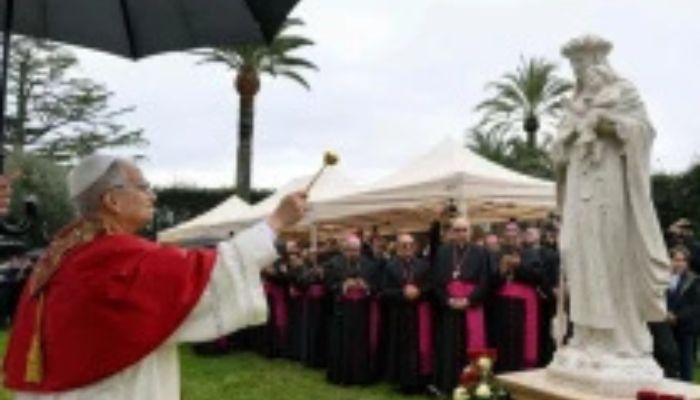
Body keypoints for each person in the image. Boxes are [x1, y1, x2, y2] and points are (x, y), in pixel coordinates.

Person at [3, 154, 307, 399]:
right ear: (112, 201)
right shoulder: (114, 256)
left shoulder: (62, 253)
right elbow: (210, 274)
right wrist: (276, 221)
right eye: (143, 186)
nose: (153, 195)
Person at [549, 35, 670, 384]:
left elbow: (644, 132)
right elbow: (557, 153)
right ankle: (586, 334)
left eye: (582, 63)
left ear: (599, 63)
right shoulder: (572, 105)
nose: (578, 71)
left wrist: (606, 123)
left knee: (609, 256)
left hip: (610, 191)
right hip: (579, 193)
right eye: (574, 64)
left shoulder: (624, 92)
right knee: (577, 254)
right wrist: (566, 140)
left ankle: (616, 339)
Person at [432, 217, 492, 394]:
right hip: (449, 308)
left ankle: (471, 385)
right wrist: (448, 300)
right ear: (451, 232)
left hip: (471, 306)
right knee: (449, 347)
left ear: (470, 232)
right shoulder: (442, 252)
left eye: (464, 230)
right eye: (457, 230)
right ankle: (448, 384)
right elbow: (436, 282)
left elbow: (485, 282)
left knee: (471, 346)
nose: (460, 233)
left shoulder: (481, 252)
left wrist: (469, 300)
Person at [325, 235, 382, 385]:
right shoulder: (334, 263)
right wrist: (343, 285)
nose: (353, 253)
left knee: (360, 343)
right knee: (342, 342)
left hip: (363, 310)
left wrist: (366, 286)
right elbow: (329, 285)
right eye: (349, 250)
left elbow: (377, 286)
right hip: (342, 310)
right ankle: (341, 375)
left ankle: (360, 376)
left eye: (356, 250)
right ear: (344, 249)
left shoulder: (369, 264)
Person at [383, 233, 433, 393]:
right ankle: (402, 380)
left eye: (410, 245)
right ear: (397, 247)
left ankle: (421, 379)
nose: (407, 248)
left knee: (420, 346)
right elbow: (384, 290)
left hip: (419, 312)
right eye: (403, 245)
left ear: (415, 247)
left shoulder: (424, 265)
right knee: (401, 347)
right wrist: (402, 292)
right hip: (399, 313)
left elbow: (431, 286)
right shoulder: (389, 266)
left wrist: (419, 291)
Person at [666, 246, 700, 382]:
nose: (679, 263)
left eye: (682, 260)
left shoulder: (694, 280)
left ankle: (687, 387)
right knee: (667, 360)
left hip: (686, 326)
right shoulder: (662, 278)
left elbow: (695, 305)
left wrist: (677, 316)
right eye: (676, 260)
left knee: (686, 362)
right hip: (665, 325)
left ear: (687, 263)